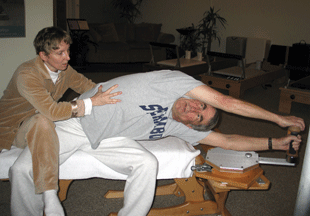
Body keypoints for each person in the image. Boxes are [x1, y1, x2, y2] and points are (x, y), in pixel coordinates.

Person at [9, 70, 305, 216]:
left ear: (190, 126)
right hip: (77, 122)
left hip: (112, 139)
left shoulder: (182, 126)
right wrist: (277, 117)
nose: (194, 110)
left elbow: (227, 139)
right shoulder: (172, 81)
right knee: (22, 170)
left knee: (146, 162)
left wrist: (275, 143)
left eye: (198, 118)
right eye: (200, 105)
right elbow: (225, 100)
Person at [0, 27, 121, 216]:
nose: (68, 57)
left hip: (40, 119)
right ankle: (50, 195)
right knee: (43, 120)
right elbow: (52, 112)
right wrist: (91, 102)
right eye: (60, 53)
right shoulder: (27, 74)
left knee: (48, 121)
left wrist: (109, 94)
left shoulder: (64, 70)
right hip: (14, 127)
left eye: (68, 51)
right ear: (43, 55)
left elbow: (88, 86)